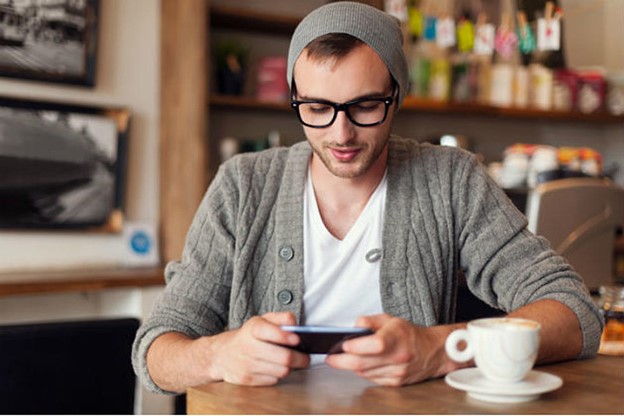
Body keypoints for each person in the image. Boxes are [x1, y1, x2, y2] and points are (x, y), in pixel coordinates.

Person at [132, 2, 603, 393]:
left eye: (364, 106)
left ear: (396, 96)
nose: (341, 132)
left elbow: (573, 310)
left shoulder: (451, 179)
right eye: (316, 108)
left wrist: (442, 349)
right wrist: (219, 353)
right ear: (295, 99)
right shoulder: (241, 186)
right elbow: (154, 351)